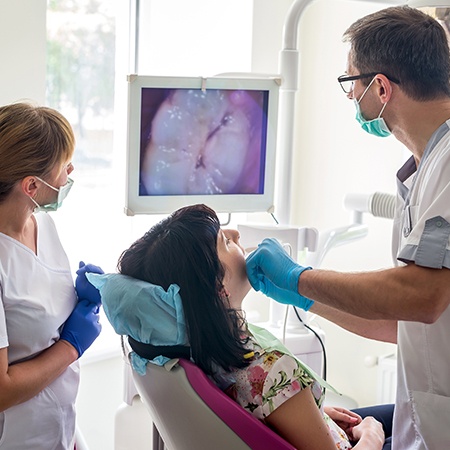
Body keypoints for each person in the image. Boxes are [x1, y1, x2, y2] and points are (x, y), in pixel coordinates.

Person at [245, 6, 450, 450]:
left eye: (349, 82)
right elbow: (403, 321)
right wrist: (305, 295)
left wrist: (301, 277)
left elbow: (423, 296)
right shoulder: (423, 169)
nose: (348, 96)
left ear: (380, 86)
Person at [88, 204, 386, 449]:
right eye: (225, 242)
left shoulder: (196, 354)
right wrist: (372, 434)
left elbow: (258, 418)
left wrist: (313, 416)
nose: (235, 233)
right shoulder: (272, 370)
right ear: (220, 287)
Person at [0, 102, 103, 449]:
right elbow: (2, 390)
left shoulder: (43, 223)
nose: (70, 170)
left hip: (60, 430)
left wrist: (79, 299)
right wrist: (72, 346)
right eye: (64, 165)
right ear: (31, 185)